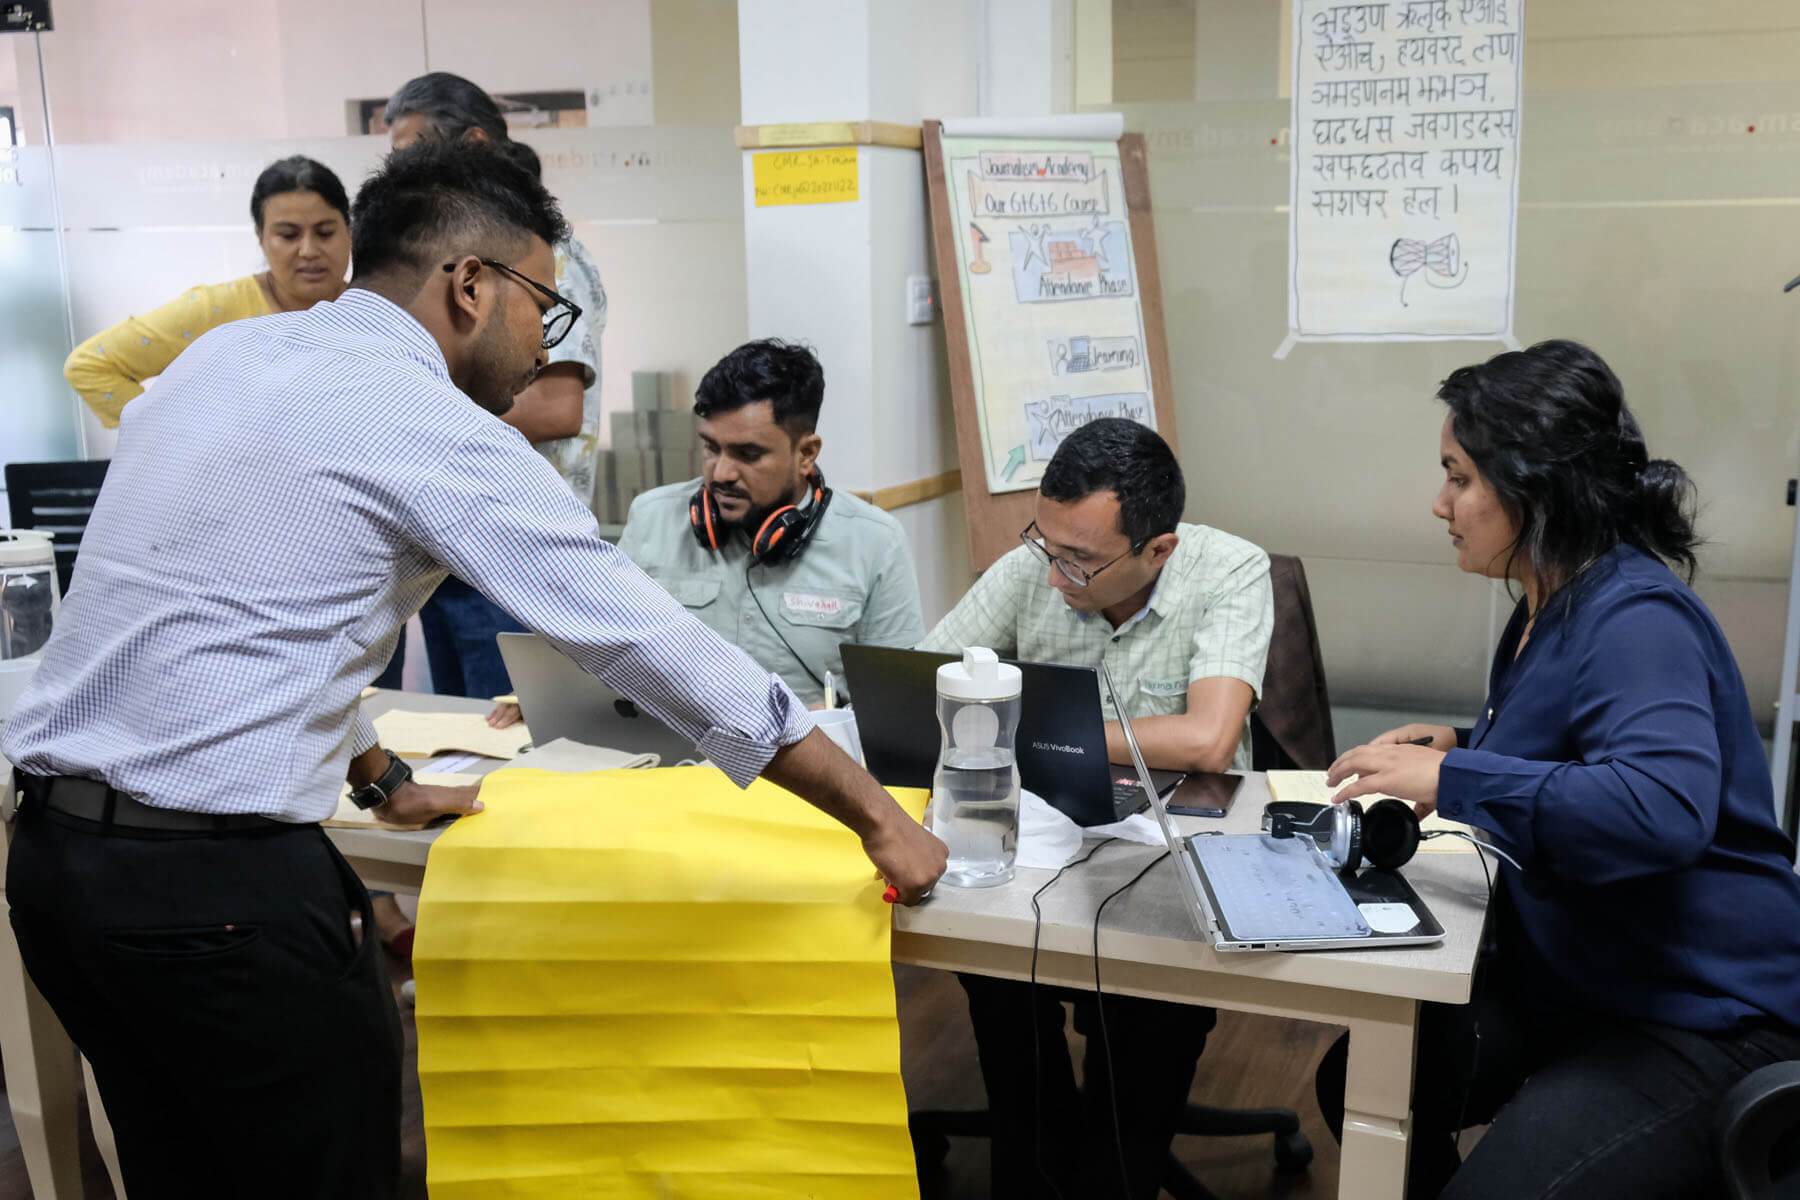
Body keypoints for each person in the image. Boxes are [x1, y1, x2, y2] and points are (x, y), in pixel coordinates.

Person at [1, 139, 945, 1200]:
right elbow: (647, 639)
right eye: (545, 306)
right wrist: (878, 819)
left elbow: (246, 624)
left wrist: (381, 780)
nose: (545, 344)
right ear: (470, 285)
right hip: (213, 898)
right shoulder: (433, 426)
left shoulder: (223, 359)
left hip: (54, 873)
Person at [1314, 339, 1800, 1199]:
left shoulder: (1637, 617)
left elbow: (1659, 807)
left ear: (1536, 486)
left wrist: (1458, 781)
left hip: (1703, 1012)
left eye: (1460, 478)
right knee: (1365, 1081)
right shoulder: (1545, 603)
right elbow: (1579, 741)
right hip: (1586, 976)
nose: (1440, 503)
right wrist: (1461, 746)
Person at [919, 417, 1273, 1199]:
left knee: (1152, 1019)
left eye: (1079, 560)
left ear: (1158, 550)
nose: (1054, 576)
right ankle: (1034, 1166)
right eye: (1045, 544)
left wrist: (1033, 728)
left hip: (1173, 850)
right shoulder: (1037, 564)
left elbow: (1208, 739)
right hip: (1044, 840)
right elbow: (922, 678)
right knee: (995, 972)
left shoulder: (1229, 570)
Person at [494, 338, 923, 719]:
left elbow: (899, 706)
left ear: (806, 454)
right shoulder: (653, 518)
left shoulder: (875, 543)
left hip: (808, 764)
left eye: (748, 454)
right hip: (669, 761)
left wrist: (829, 719)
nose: (720, 474)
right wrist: (549, 692)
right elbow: (602, 644)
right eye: (711, 448)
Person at [384, 71, 609, 700]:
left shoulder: (544, 254)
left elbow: (557, 407)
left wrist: (414, 424)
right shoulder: (452, 258)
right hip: (447, 541)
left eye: (414, 153)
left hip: (514, 543)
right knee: (455, 735)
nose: (403, 175)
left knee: (506, 738)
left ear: (475, 144)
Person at [63, 155, 351, 429]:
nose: (309, 250)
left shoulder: (372, 307)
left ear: (350, 231)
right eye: (288, 235)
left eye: (325, 232)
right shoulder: (216, 310)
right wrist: (179, 433)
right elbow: (90, 365)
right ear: (261, 237)